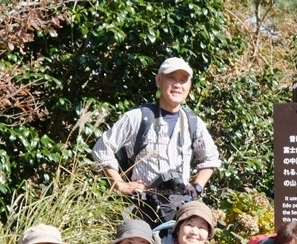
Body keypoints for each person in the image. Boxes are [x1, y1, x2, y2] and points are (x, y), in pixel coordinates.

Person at [92, 57, 221, 224]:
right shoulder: (138, 117)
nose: (177, 85)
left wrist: (196, 187)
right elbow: (102, 148)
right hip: (141, 209)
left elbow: (211, 159)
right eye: (172, 78)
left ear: (189, 86)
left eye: (183, 80)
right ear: (159, 81)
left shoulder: (193, 123)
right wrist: (120, 184)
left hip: (178, 211)